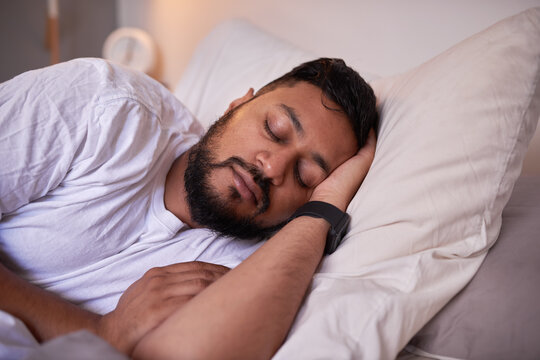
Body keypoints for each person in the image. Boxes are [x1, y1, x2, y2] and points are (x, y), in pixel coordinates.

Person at [0, 57, 377, 358]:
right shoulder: (107, 105)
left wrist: (324, 209)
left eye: (305, 176)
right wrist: (101, 332)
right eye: (274, 130)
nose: (272, 168)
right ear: (237, 104)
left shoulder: (254, 265)